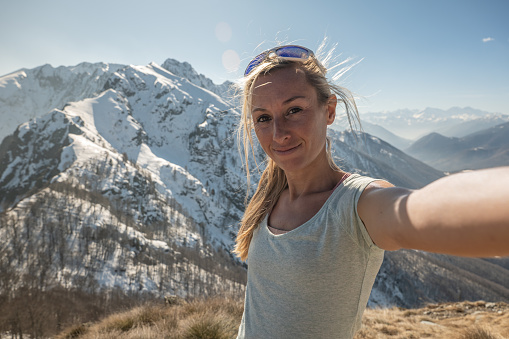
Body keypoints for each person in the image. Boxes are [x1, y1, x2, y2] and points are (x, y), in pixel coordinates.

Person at [233, 44, 509, 339]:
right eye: (263, 118)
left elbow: (414, 209)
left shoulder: (356, 204)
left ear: (329, 111)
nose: (278, 133)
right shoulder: (268, 197)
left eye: (294, 110)